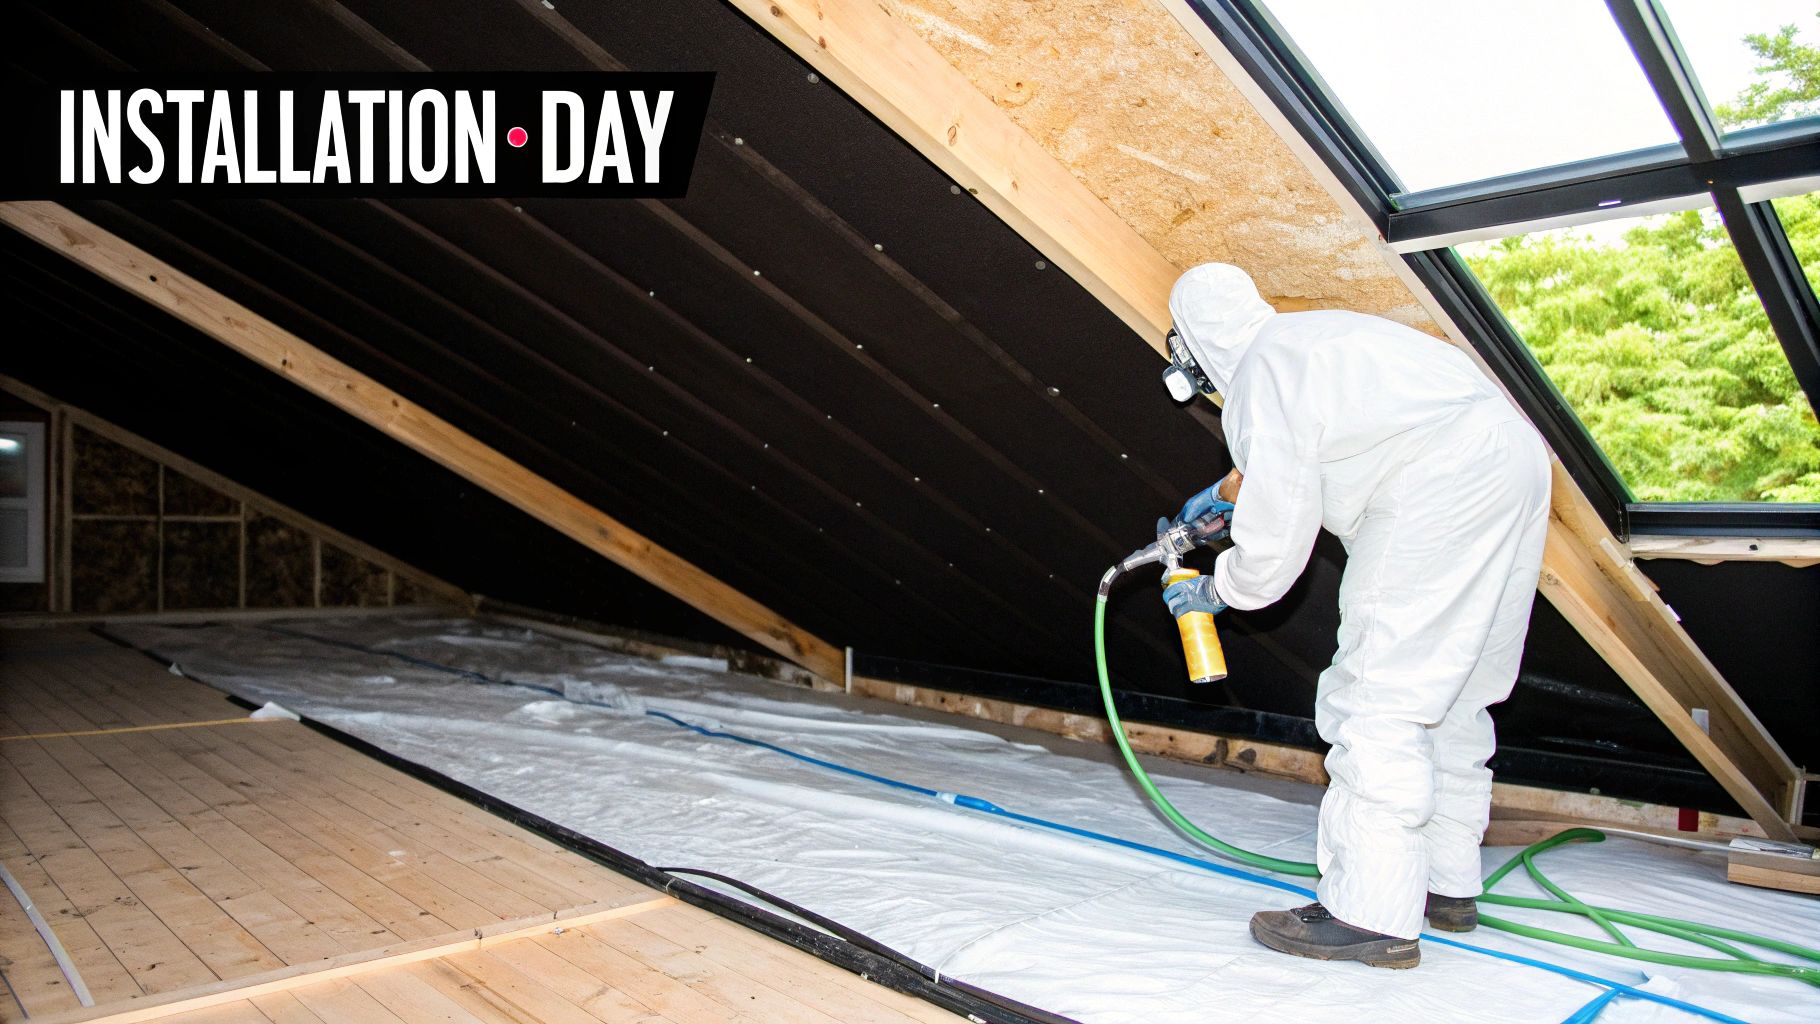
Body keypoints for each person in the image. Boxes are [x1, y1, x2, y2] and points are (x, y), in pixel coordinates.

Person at [1158, 263, 1550, 969]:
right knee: (1458, 693)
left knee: (1375, 697)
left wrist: (1220, 588)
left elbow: (1276, 547)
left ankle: (1370, 912)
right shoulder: (1311, 341)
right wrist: (1223, 497)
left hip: (1435, 485)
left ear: (1194, 345)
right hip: (1515, 461)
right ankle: (1443, 882)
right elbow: (1310, 456)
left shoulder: (1258, 379)